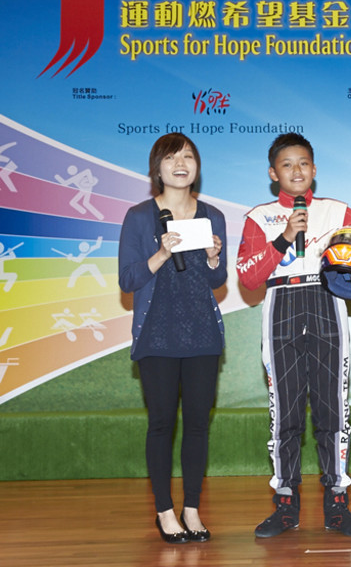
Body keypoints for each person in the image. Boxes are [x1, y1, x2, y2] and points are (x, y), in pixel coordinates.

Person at [236, 132, 351, 538]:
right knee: (285, 413)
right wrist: (283, 236)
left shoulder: (336, 210)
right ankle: (286, 502)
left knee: (333, 410)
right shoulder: (259, 217)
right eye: (287, 164)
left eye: (304, 163)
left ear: (314, 170)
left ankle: (337, 502)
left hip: (327, 301)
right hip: (281, 304)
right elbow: (249, 276)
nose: (297, 170)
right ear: (273, 173)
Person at [118, 133, 227, 544]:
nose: (181, 163)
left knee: (198, 425)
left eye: (188, 156)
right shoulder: (140, 216)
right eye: (171, 157)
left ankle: (192, 508)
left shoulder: (212, 215)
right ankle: (165, 511)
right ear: (157, 168)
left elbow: (217, 279)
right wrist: (160, 253)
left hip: (201, 332)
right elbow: (128, 280)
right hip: (157, 333)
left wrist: (215, 258)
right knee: (162, 423)